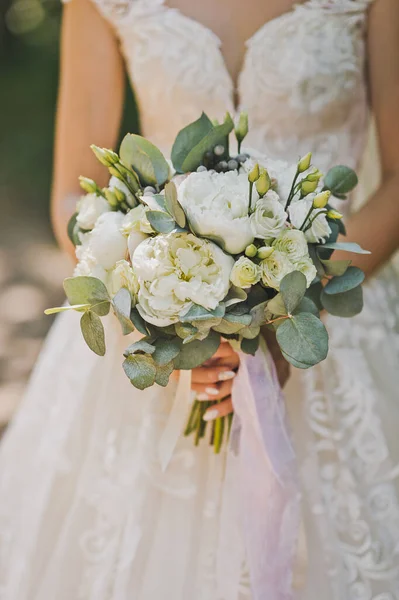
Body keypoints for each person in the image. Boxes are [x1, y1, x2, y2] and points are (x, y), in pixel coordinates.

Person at [0, 0, 398, 597]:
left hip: (334, 318)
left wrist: (283, 311)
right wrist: (164, 312)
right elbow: (70, 199)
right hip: (154, 326)